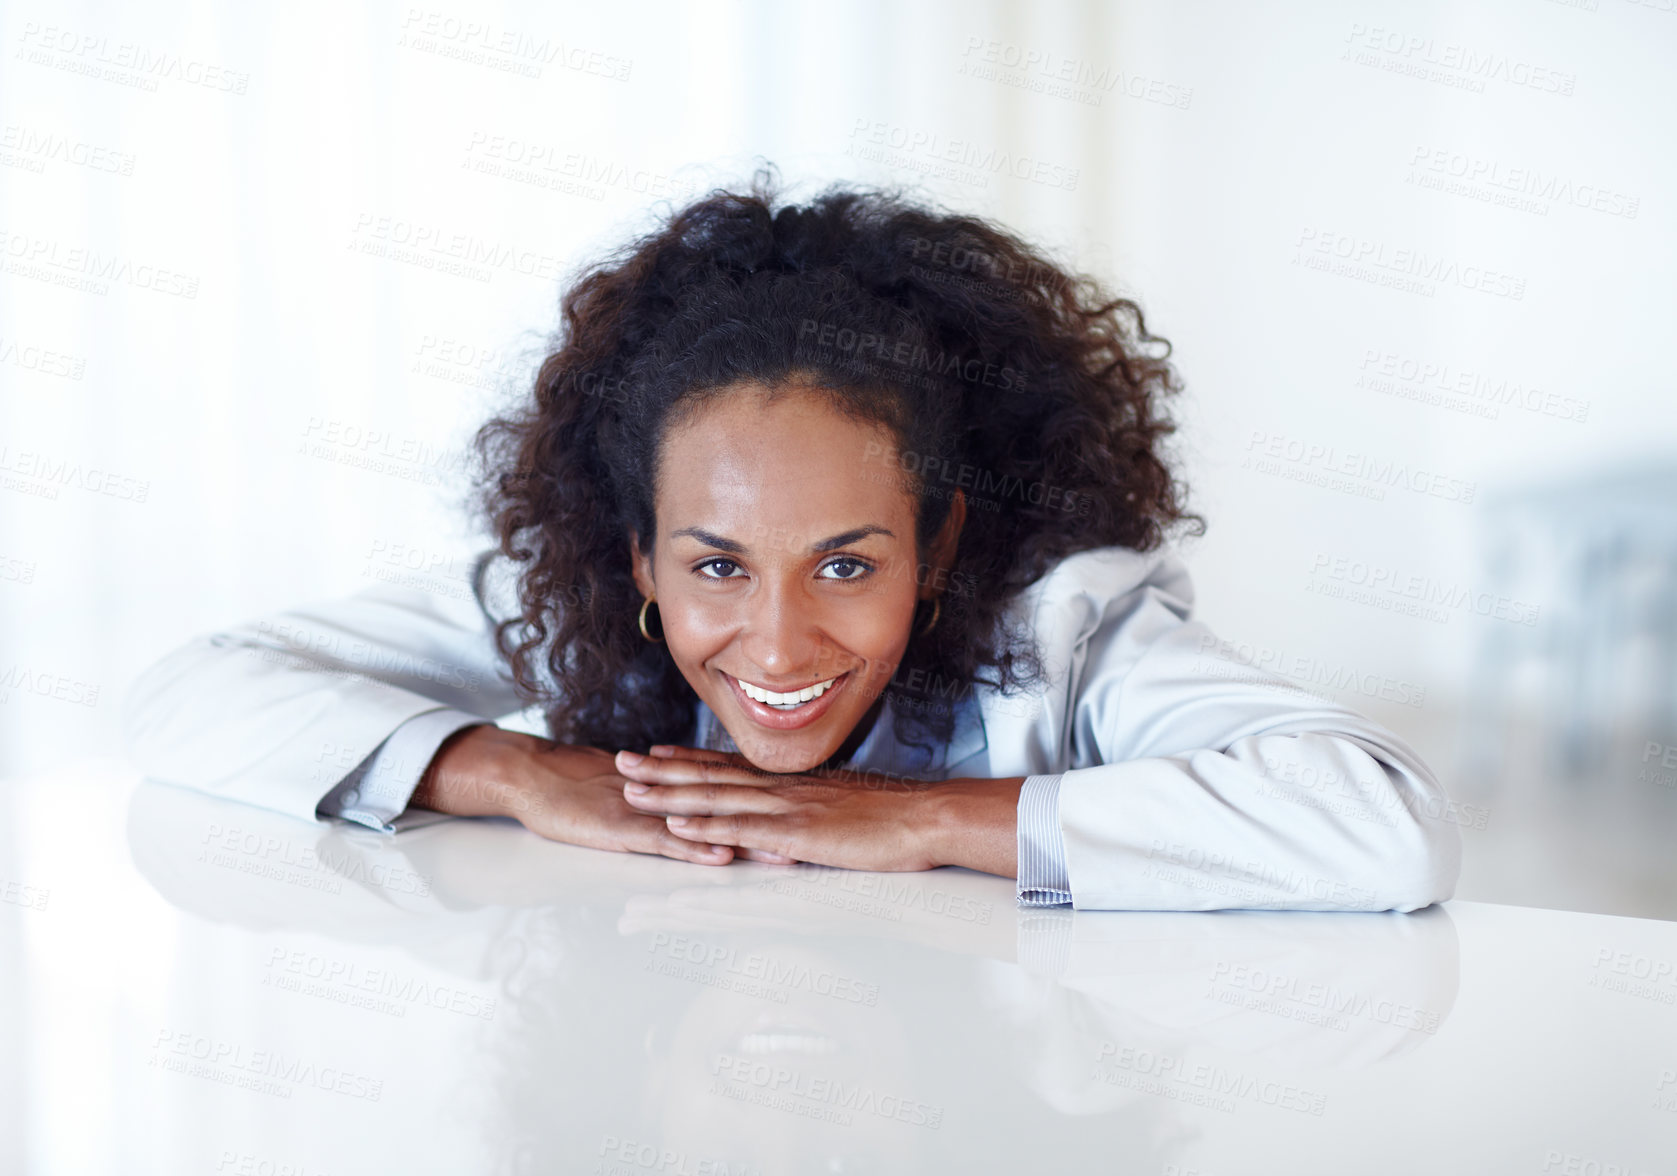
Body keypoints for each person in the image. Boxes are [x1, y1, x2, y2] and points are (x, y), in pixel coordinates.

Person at [124, 177, 1461, 911]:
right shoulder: (568, 594)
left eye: (845, 563)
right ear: (634, 554)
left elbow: (1379, 832)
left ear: (937, 540)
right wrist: (514, 774)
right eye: (713, 565)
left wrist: (926, 819)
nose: (773, 645)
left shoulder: (1070, 626)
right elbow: (187, 693)